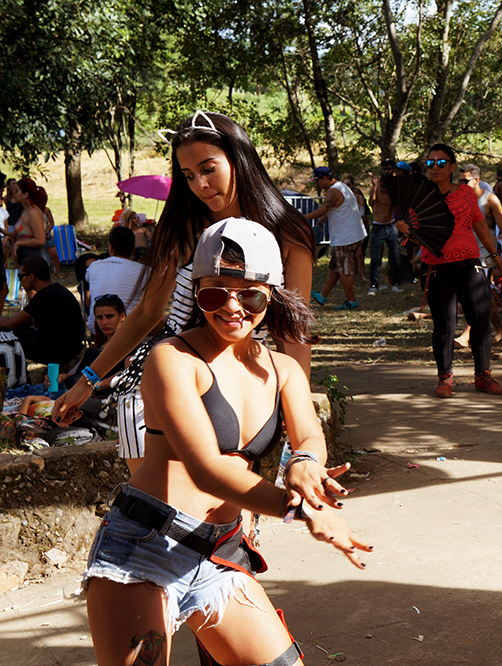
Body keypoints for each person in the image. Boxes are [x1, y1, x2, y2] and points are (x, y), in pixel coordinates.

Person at [83, 217, 371, 666]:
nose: (232, 306)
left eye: (249, 294)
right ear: (196, 293)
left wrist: (305, 461)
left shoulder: (283, 369)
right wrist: (298, 509)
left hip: (221, 550)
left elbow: (309, 432)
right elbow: (206, 469)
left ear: (271, 294)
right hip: (144, 548)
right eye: (215, 293)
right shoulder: (172, 359)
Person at [51, 110, 315, 458]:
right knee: (159, 489)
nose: (200, 184)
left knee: (234, 491)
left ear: (239, 160)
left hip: (248, 383)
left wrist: (298, 412)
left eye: (209, 169)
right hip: (166, 377)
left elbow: (293, 331)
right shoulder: (182, 227)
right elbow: (147, 312)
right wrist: (87, 380)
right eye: (188, 175)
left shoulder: (288, 233)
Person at [397, 144, 502, 398]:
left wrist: (495, 255)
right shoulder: (420, 197)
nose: (435, 167)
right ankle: (445, 379)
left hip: (470, 263)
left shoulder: (466, 193)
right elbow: (417, 236)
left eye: (441, 163)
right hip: (437, 267)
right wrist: (405, 230)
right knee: (445, 325)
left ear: (453, 167)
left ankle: (483, 376)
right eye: (430, 163)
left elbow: (480, 225)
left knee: (480, 321)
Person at [454, 164, 502, 346]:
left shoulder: (490, 200)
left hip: (485, 255)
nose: (462, 185)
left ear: (477, 180)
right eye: (460, 181)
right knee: (485, 295)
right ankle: (500, 331)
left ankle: (466, 334)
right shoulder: (459, 199)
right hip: (465, 253)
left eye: (466, 181)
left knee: (473, 293)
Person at [0, 257, 85, 366]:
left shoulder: (43, 296)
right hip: (70, 347)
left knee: (4, 334)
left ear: (31, 277)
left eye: (20, 276)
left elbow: (11, 323)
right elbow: (24, 321)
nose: (19, 280)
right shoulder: (57, 290)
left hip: (59, 352)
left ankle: (13, 372)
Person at [305, 167, 367, 310]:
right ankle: (322, 296)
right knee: (334, 267)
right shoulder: (342, 187)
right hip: (350, 235)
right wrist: (321, 221)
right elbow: (335, 209)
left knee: (345, 270)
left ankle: (351, 301)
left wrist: (303, 218)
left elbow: (323, 209)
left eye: (317, 181)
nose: (317, 184)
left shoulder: (333, 191)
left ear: (324, 178)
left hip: (346, 238)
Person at [84, 226, 144, 335]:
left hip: (97, 329)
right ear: (133, 249)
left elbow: (87, 281)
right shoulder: (144, 271)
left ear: (111, 248)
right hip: (131, 331)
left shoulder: (94, 267)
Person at [367, 160, 404, 294]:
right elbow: (371, 203)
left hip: (391, 226)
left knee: (395, 256)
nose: (383, 189)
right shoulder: (375, 191)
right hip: (378, 226)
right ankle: (374, 284)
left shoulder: (392, 193)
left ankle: (395, 283)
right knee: (375, 257)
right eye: (382, 185)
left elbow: (398, 206)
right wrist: (375, 188)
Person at [1, 178, 50, 268]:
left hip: (35, 259)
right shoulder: (25, 210)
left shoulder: (33, 212)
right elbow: (22, 235)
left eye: (17, 191)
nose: (14, 193)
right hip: (26, 257)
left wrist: (18, 243)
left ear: (25, 195)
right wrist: (3, 231)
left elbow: (40, 240)